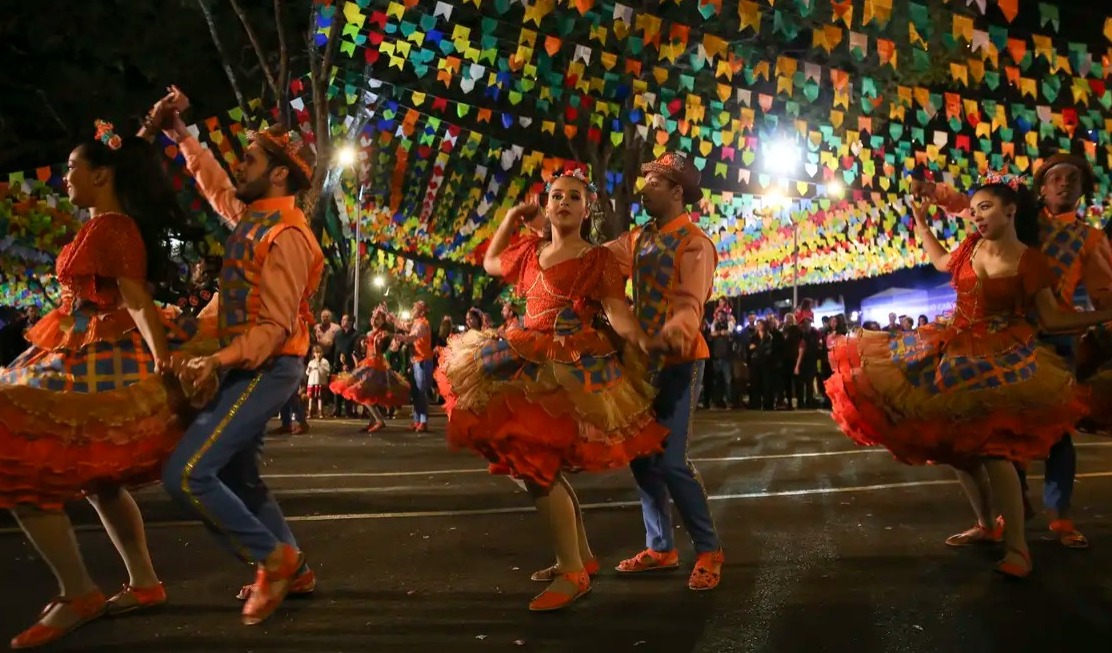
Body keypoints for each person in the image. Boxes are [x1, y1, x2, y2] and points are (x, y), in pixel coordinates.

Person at [827, 175, 1112, 577]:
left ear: (1010, 210)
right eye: (974, 209)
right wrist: (920, 222)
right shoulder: (969, 248)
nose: (976, 216)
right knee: (956, 446)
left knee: (994, 449)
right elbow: (940, 262)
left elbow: (1053, 317)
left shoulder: (1030, 260)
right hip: (953, 350)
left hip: (1004, 356)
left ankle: (1018, 548)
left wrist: (1106, 314)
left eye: (985, 207)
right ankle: (986, 525)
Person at [0, 123, 207, 647]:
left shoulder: (113, 228)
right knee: (99, 480)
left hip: (96, 353)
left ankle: (78, 591)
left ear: (99, 175)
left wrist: (163, 360)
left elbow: (135, 296)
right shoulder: (103, 224)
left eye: (72, 167)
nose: (64, 175)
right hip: (76, 344)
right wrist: (149, 127)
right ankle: (143, 582)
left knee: (21, 460)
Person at [436, 166, 666, 611]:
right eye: (556, 196)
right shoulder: (530, 252)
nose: (563, 203)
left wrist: (644, 341)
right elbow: (488, 262)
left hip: (568, 368)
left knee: (536, 467)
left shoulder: (597, 259)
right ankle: (578, 558)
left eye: (574, 197)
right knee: (535, 467)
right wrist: (509, 218)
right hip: (520, 356)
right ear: (545, 206)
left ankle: (572, 571)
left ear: (588, 208)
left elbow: (617, 312)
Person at [153, 87, 323, 624]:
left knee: (187, 475)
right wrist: (182, 135)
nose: (239, 164)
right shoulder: (254, 217)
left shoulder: (289, 236)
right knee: (243, 481)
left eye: (249, 158)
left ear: (278, 175)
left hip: (268, 366)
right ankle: (294, 569)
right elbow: (217, 187)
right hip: (246, 362)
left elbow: (274, 329)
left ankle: (271, 559)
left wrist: (217, 361)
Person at [918, 155, 1112, 549]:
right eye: (1054, 178)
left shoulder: (1091, 239)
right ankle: (1009, 512)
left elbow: (1103, 292)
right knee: (999, 430)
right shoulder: (1022, 218)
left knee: (1057, 431)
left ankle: (1059, 517)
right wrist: (934, 195)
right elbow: (975, 205)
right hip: (1005, 335)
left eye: (1072, 179)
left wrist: (1102, 326)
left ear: (1084, 189)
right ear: (1039, 189)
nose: (1063, 184)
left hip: (1055, 335)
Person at [603, 151, 726, 591]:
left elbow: (691, 302)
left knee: (672, 462)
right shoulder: (638, 238)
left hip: (680, 359)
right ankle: (660, 547)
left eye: (653, 182)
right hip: (642, 361)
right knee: (641, 457)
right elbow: (598, 263)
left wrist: (676, 330)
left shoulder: (694, 243)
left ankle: (709, 550)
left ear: (677, 191)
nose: (644, 188)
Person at [330, 307, 411, 433]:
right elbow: (365, 349)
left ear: (382, 321)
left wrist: (376, 341)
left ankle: (379, 420)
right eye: (373, 318)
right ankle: (373, 420)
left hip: (376, 364)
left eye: (377, 319)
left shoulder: (382, 334)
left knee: (364, 392)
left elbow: (379, 348)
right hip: (368, 362)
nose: (374, 320)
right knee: (365, 393)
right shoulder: (368, 333)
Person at [389, 301, 435, 432]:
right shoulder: (416, 322)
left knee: (421, 392)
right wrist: (391, 317)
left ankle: (423, 421)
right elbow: (402, 325)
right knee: (415, 391)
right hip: (416, 360)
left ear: (421, 312)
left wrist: (394, 336)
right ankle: (417, 420)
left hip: (423, 360)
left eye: (414, 308)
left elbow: (411, 338)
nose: (412, 310)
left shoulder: (422, 324)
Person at [305, 345, 331, 419]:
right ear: (313, 354)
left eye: (319, 352)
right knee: (310, 397)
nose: (318, 354)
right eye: (316, 353)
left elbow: (327, 371)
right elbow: (307, 372)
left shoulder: (324, 361)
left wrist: (319, 365)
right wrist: (309, 370)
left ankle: (320, 411)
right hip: (312, 382)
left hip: (320, 382)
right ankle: (309, 411)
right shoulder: (311, 362)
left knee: (320, 397)